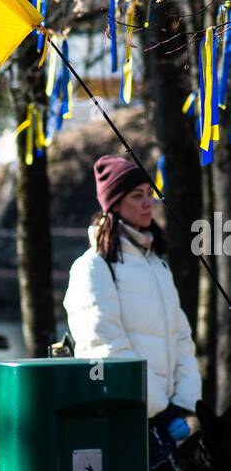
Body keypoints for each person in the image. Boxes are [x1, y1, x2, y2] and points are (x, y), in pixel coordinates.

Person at [63, 154, 201, 431]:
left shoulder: (157, 265)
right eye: (136, 196)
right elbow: (104, 348)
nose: (148, 202)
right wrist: (158, 409)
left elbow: (182, 339)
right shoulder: (92, 267)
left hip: (169, 422)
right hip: (122, 419)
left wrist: (184, 405)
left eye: (150, 193)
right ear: (114, 203)